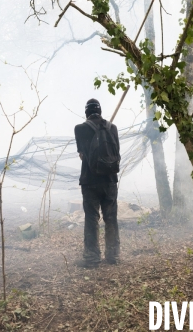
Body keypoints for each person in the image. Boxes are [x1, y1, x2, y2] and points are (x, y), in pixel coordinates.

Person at [74, 98, 121, 268]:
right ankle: (113, 256)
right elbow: (116, 154)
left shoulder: (80, 129)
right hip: (110, 181)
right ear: (100, 111)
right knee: (111, 218)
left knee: (92, 218)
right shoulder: (112, 128)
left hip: (90, 181)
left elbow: (82, 155)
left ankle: (92, 258)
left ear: (86, 112)